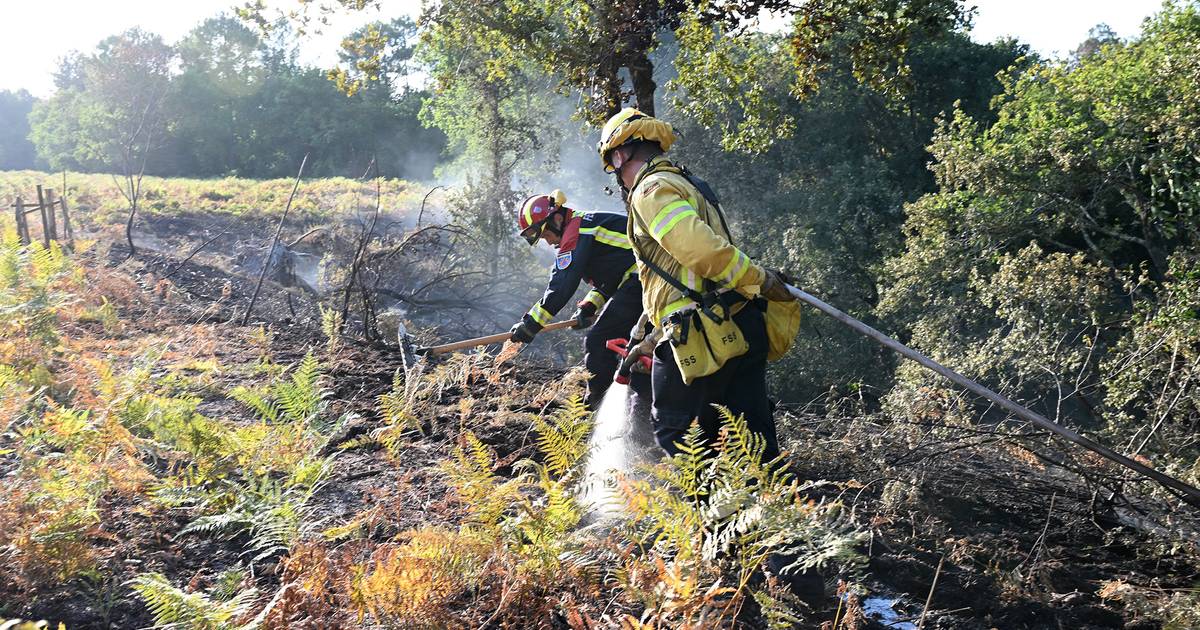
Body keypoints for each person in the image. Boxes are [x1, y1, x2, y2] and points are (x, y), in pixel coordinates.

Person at [596, 108, 796, 461]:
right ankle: (767, 509)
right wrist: (647, 334)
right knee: (748, 436)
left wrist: (758, 278)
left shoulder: (650, 190)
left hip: (700, 336)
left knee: (678, 432)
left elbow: (698, 250)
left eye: (613, 166)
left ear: (620, 153)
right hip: (738, 323)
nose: (618, 177)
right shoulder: (685, 183)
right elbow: (679, 278)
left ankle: (715, 515)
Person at [510, 190, 646, 409]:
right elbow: (614, 276)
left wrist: (531, 323)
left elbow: (563, 284)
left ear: (556, 218)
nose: (549, 242)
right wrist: (591, 305)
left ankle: (596, 408)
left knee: (599, 341)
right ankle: (631, 400)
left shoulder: (577, 230)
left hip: (644, 278)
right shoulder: (587, 227)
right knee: (632, 345)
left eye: (546, 235)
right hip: (642, 278)